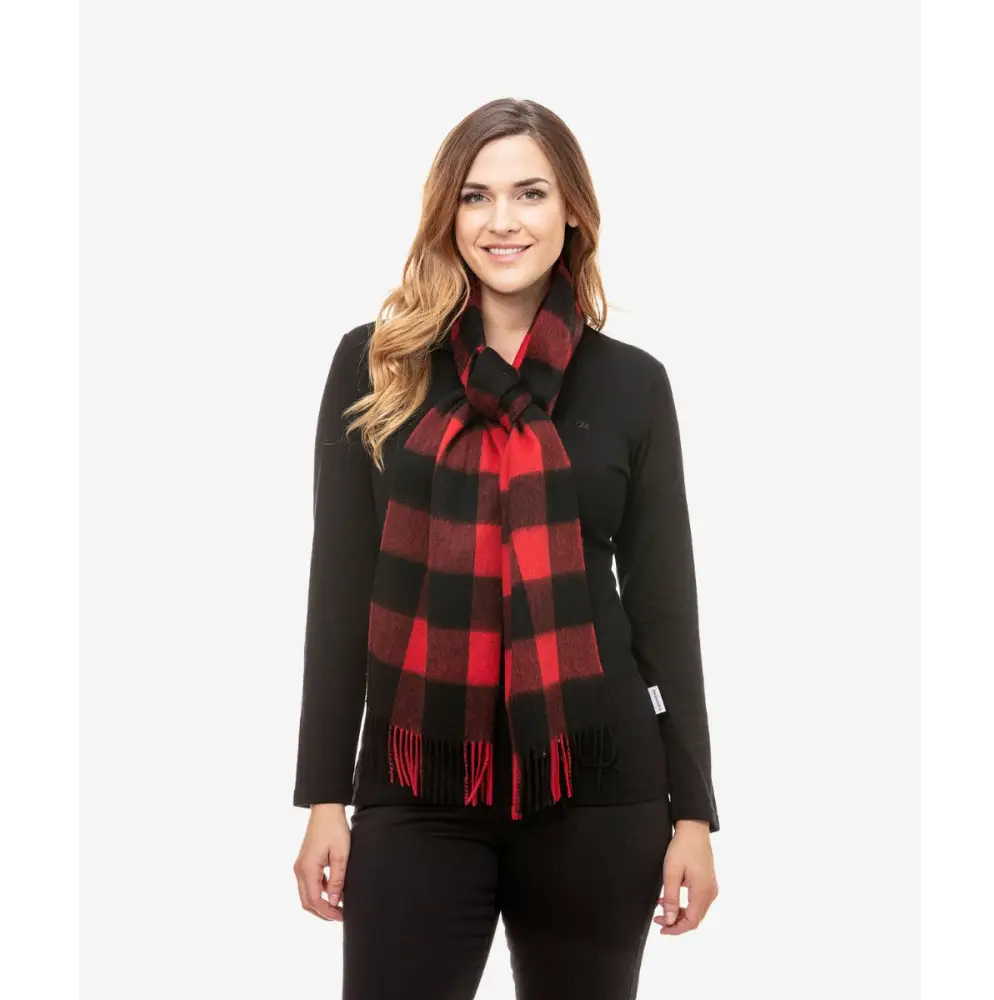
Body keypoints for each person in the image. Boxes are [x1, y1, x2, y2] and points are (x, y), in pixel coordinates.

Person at [292, 97, 720, 1000]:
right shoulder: (377, 366)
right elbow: (339, 591)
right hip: (417, 782)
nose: (503, 221)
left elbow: (663, 607)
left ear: (572, 214)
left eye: (530, 193)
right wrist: (325, 796)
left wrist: (694, 814)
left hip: (594, 784)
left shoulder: (632, 383)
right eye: (476, 196)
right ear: (448, 214)